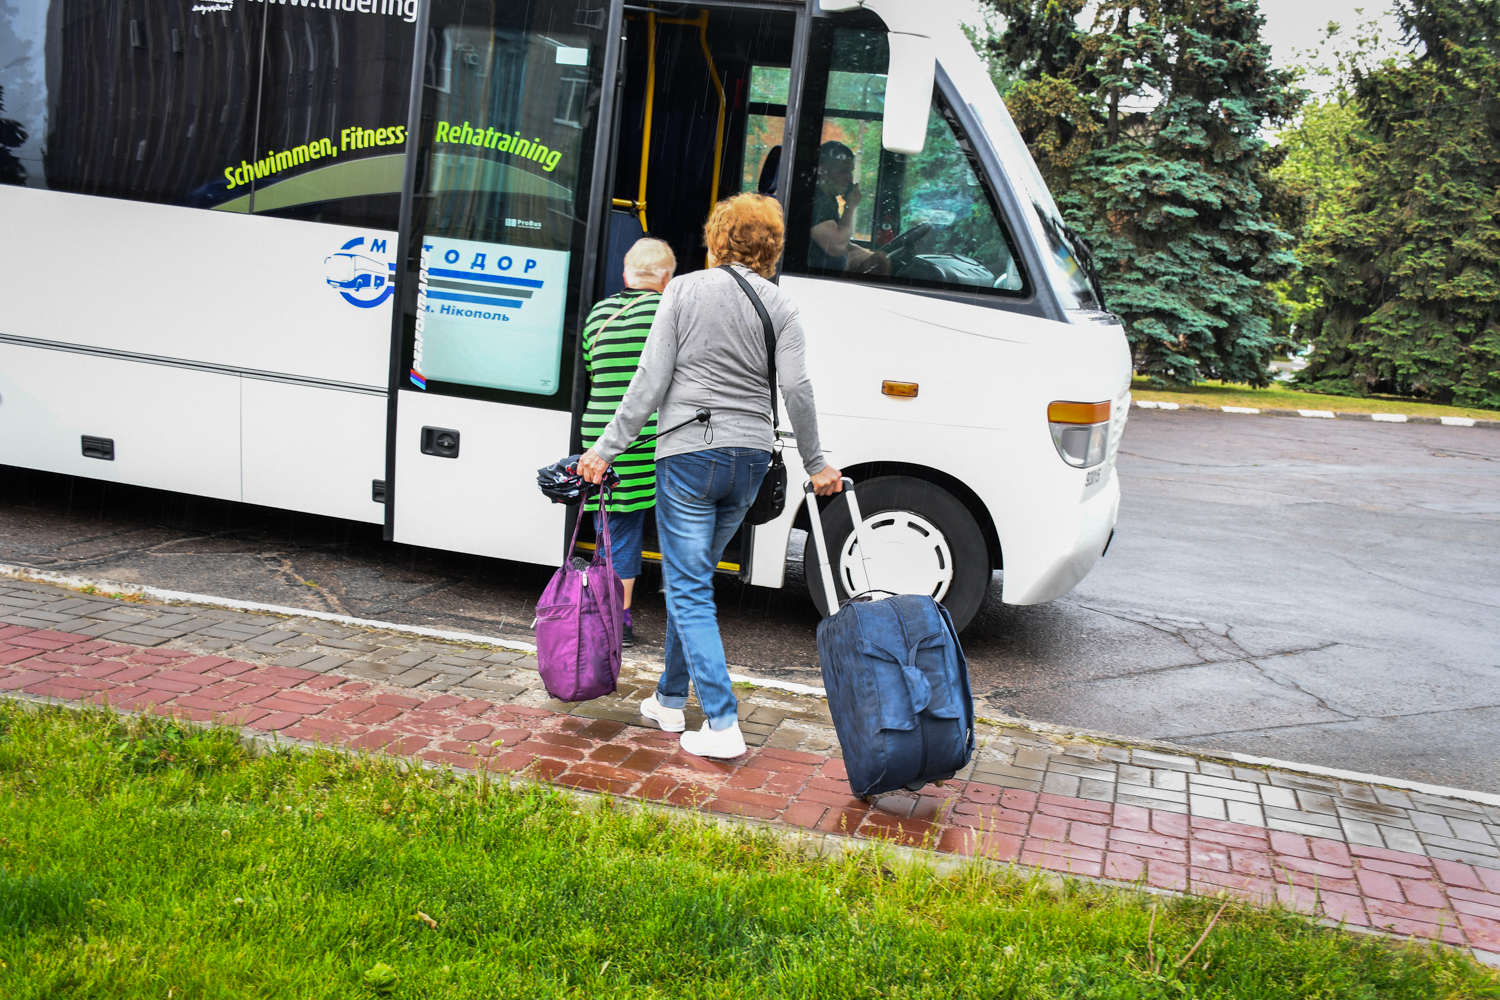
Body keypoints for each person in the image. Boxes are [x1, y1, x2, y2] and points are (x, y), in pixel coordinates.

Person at [578, 194, 843, 759]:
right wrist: (816, 462)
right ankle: (669, 700)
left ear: (718, 239)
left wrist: (607, 448)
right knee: (692, 579)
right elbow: (796, 389)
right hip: (749, 460)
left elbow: (651, 378)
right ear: (771, 246)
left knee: (688, 587)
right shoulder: (784, 307)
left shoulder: (685, 290)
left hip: (690, 456)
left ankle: (722, 723)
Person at [579, 238, 676, 648]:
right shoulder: (666, 313)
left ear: (626, 274)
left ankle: (609, 610)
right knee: (657, 526)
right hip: (644, 439)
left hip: (599, 438)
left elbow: (592, 368)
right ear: (668, 278)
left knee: (614, 524)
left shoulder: (599, 313)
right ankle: (619, 619)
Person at [808, 140, 885, 274]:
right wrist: (850, 207)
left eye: (850, 171)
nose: (849, 179)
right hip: (816, 279)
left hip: (834, 273)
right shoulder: (816, 200)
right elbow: (836, 247)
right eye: (843, 171)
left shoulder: (830, 199)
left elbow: (843, 243)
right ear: (823, 171)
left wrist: (873, 257)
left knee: (881, 261)